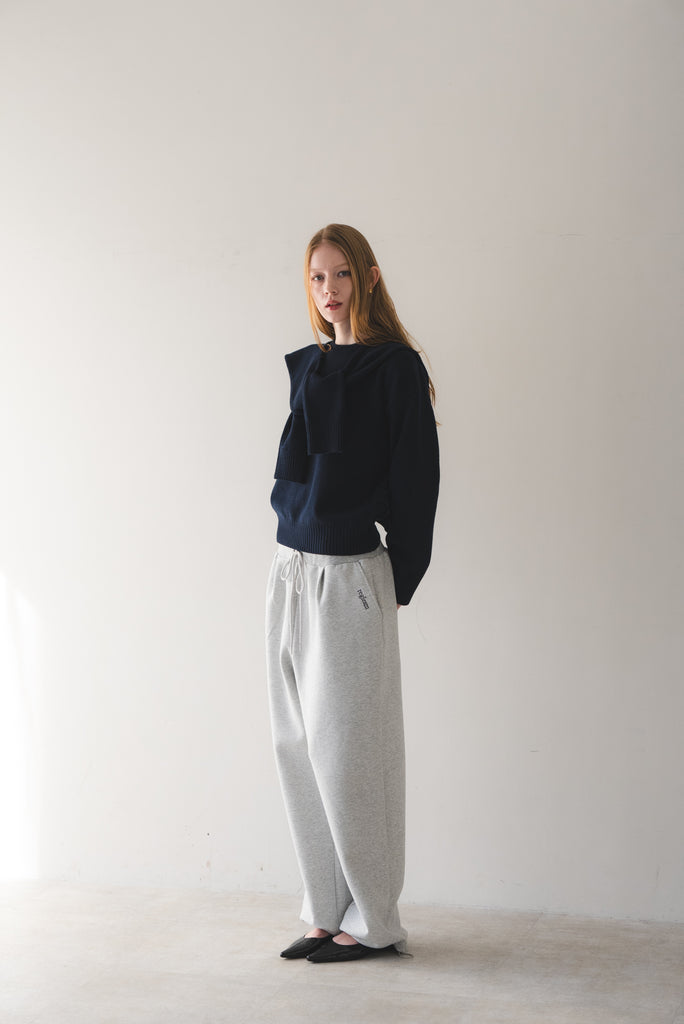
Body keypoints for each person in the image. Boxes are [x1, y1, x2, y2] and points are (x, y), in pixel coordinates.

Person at [266, 223, 439, 964]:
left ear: (367, 276)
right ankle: (324, 907)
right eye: (316, 277)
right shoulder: (311, 365)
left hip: (351, 577)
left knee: (352, 753)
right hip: (291, 570)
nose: (328, 290)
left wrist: (403, 573)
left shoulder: (395, 367)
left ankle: (373, 919)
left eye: (340, 274)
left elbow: (417, 478)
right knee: (298, 747)